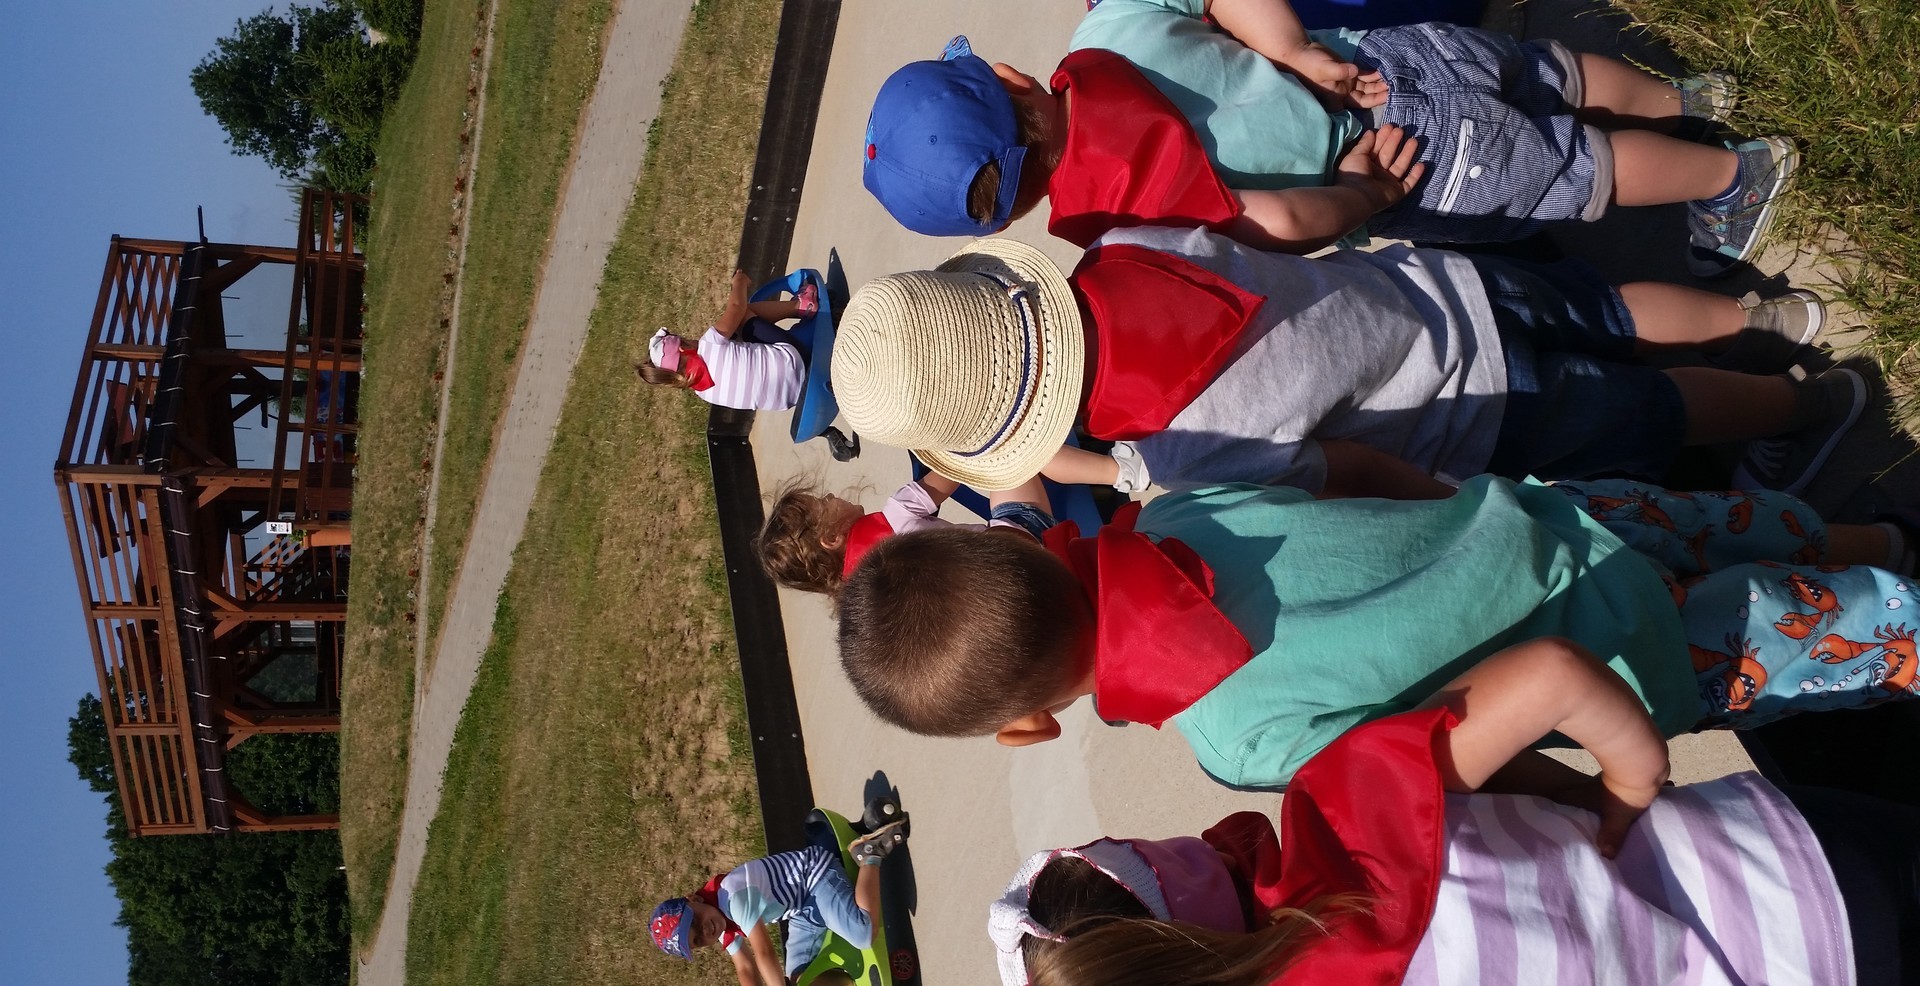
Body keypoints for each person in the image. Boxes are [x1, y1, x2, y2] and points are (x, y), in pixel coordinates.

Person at [990, 640, 1919, 986]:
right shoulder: (1342, 814)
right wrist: (1630, 778)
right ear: (1163, 864)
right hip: (1789, 860)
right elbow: (1552, 676)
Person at [837, 448, 1919, 790]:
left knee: (1842, 634)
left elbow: (1456, 753)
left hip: (1635, 657)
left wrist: (1605, 788)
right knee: (1749, 524)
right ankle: (1880, 533)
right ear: (1015, 543)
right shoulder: (1176, 513)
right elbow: (1348, 470)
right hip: (1557, 513)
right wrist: (1464, 510)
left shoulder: (1240, 744)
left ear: (1025, 726)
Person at [832, 233, 1855, 517]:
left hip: (1474, 413)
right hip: (1439, 284)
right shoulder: (1123, 248)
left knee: (1652, 410)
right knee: (1612, 311)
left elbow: (1347, 467)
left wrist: (1451, 506)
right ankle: (1771, 318)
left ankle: (1801, 408)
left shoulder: (1182, 451)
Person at [863, 22, 1790, 276]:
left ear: (1007, 217)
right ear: (1007, 76)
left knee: (1576, 169)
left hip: (1394, 157)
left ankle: (1731, 177)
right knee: (1547, 72)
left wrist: (1367, 199)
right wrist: (1304, 55)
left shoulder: (1116, 211)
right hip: (1377, 64)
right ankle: (1690, 99)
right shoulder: (1105, 33)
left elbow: (1272, 220)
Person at [756, 445, 1149, 596]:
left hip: (1013, 598)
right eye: (823, 502)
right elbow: (954, 466)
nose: (830, 496)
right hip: (1025, 548)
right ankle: (1123, 471)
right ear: (831, 537)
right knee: (1006, 452)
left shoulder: (871, 598)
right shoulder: (896, 514)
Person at [649, 811, 907, 986]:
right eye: (697, 940)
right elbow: (745, 968)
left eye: (695, 921)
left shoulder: (732, 897)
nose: (705, 930)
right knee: (799, 977)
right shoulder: (716, 920)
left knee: (862, 933)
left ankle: (870, 855)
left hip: (814, 878)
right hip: (802, 910)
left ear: (694, 900)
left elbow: (764, 953)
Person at [638, 269, 818, 411]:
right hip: (799, 361)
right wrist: (739, 282)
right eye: (685, 339)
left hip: (796, 398)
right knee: (743, 315)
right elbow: (736, 306)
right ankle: (802, 306)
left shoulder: (703, 392)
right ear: (683, 348)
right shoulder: (710, 344)